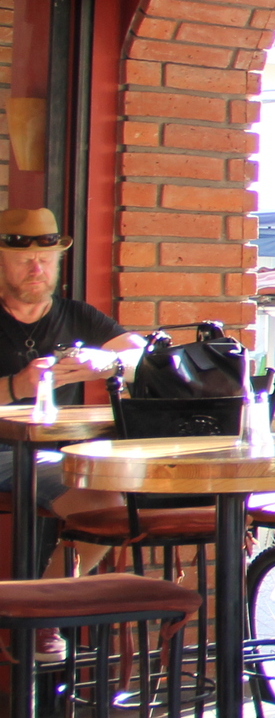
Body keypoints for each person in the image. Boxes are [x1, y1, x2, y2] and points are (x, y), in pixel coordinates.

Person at [0, 208, 143, 664]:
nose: (36, 267)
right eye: (23, 258)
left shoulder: (77, 316)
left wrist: (111, 363)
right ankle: (41, 612)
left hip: (59, 454)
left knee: (111, 498)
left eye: (46, 257)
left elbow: (145, 355)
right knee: (95, 489)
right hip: (5, 450)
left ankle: (45, 607)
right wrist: (15, 387)